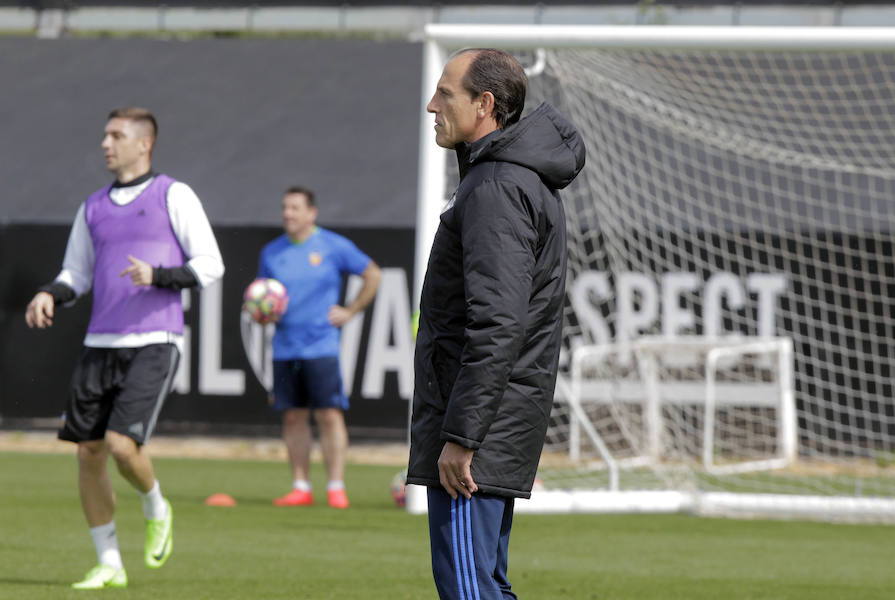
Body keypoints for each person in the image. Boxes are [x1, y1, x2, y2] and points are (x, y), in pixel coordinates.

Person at [406, 49, 585, 599]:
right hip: (490, 422)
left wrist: (461, 437)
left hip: (477, 433)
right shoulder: (507, 179)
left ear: (485, 105)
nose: (432, 105)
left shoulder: (496, 187)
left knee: (469, 589)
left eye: (446, 94)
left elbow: (497, 323)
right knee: (482, 584)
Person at [24, 107, 225, 590]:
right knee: (88, 453)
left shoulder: (172, 194)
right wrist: (51, 291)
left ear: (144, 143)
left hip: (156, 339)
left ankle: (157, 505)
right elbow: (77, 272)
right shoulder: (92, 205)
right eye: (105, 135)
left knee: (121, 446)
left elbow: (210, 265)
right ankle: (108, 561)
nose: (106, 144)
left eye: (116, 135)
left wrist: (157, 276)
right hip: (100, 343)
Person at [254, 186, 381, 509]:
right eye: (285, 208)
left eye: (295, 208)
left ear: (312, 213)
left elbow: (372, 274)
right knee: (293, 417)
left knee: (328, 414)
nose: (288, 214)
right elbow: (263, 297)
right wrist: (261, 313)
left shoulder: (332, 245)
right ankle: (301, 486)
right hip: (284, 349)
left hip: (321, 347)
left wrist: (351, 310)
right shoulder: (271, 252)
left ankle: (336, 487)